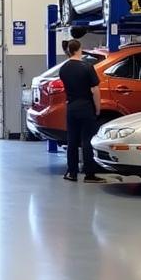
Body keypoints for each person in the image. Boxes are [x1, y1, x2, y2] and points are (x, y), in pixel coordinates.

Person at [60, 38, 104, 183]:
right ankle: (89, 174)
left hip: (71, 108)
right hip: (86, 107)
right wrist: (98, 108)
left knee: (71, 141)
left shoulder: (64, 69)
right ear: (79, 49)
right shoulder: (87, 67)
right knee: (87, 141)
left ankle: (71, 173)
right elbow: (95, 90)